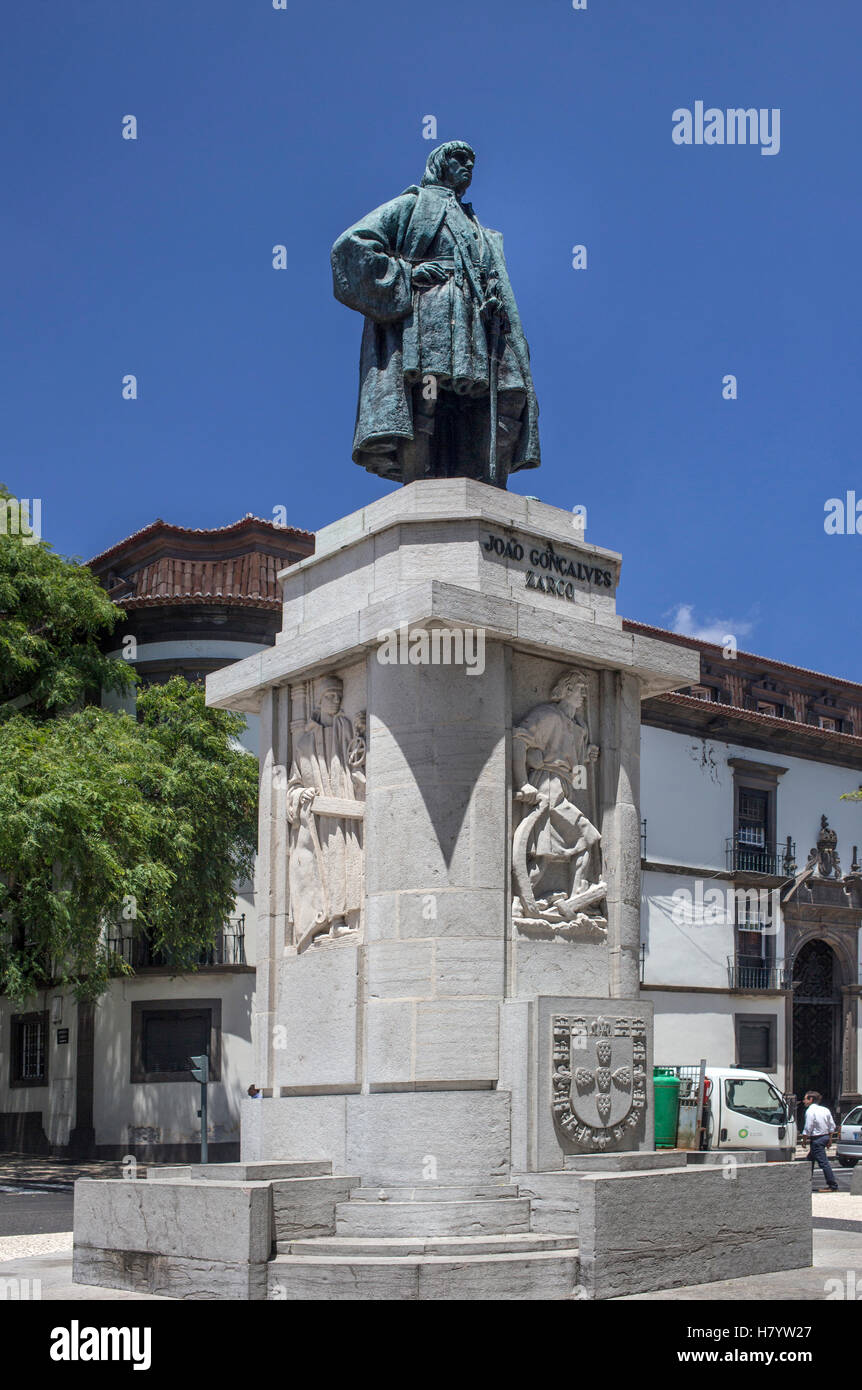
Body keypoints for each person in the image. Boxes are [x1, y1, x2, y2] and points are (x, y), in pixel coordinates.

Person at [331, 141, 540, 488]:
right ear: (440, 164)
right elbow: (350, 246)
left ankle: (490, 486)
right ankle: (418, 486)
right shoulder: (414, 205)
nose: (468, 166)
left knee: (509, 394)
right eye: (460, 159)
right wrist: (405, 274)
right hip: (433, 313)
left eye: (472, 162)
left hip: (481, 322)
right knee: (429, 395)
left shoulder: (475, 222)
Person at [801, 1090, 838, 1191]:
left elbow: (808, 1128)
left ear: (811, 1099)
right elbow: (832, 1126)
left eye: (805, 1099)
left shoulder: (810, 1111)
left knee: (824, 1163)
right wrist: (830, 1139)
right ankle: (805, 1183)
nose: (803, 1101)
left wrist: (804, 1141)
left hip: (817, 1139)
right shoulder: (825, 1110)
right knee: (809, 1160)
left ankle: (832, 1185)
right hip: (825, 1137)